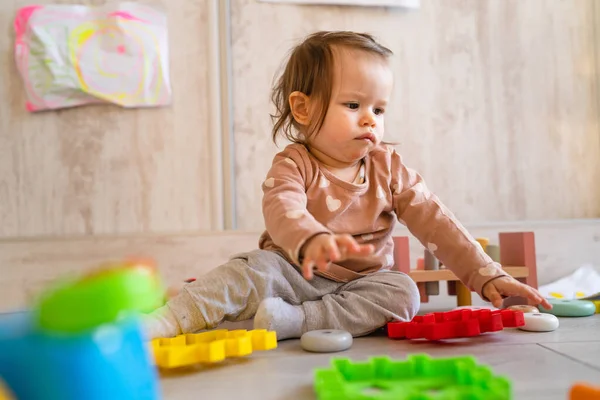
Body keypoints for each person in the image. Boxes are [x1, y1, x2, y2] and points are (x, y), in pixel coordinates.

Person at [142, 31, 551, 341]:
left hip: (361, 283)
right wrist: (310, 238)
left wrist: (487, 275)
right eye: (354, 105)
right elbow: (282, 208)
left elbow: (436, 222)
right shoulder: (294, 162)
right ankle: (170, 319)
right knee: (248, 270)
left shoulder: (388, 167)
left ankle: (294, 321)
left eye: (379, 108)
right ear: (303, 108)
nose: (371, 119)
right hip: (292, 270)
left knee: (404, 292)